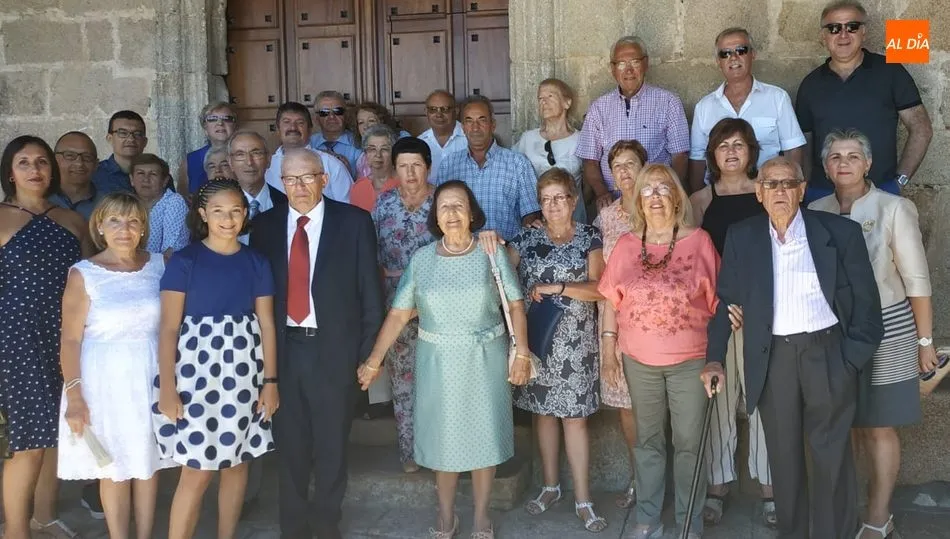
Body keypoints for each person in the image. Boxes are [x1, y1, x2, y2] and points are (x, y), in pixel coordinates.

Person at [702, 156, 884, 539]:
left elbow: (868, 309)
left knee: (832, 458)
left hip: (829, 355)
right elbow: (726, 301)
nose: (780, 191)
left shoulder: (839, 232)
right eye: (771, 184)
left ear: (802, 190)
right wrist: (715, 359)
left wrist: (848, 361)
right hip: (774, 360)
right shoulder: (743, 236)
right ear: (759, 192)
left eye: (788, 184)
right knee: (783, 461)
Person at [358, 180, 531, 538]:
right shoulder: (422, 260)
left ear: (471, 214)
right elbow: (399, 313)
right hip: (438, 361)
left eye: (458, 206)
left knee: (486, 438)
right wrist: (374, 359)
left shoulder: (490, 252)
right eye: (444, 207)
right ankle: (446, 514)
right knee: (444, 439)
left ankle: (482, 515)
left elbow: (515, 304)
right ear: (435, 216)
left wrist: (523, 353)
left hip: (485, 357)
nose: (451, 213)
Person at [249, 148, 384, 539]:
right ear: (281, 183)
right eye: (290, 179)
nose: (299, 186)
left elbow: (369, 295)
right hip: (283, 352)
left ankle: (326, 525)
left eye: (307, 177)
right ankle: (292, 528)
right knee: (289, 445)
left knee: (331, 447)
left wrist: (365, 356)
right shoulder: (266, 226)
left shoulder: (354, 222)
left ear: (324, 179)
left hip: (333, 353)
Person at [809, 129, 934, 539]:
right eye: (835, 157)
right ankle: (859, 507)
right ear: (825, 166)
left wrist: (925, 342)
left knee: (879, 424)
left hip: (889, 325)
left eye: (852, 156)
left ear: (868, 163)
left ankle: (879, 517)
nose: (843, 163)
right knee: (852, 423)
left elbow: (916, 280)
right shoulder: (817, 208)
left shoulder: (894, 208)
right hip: (837, 331)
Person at [599, 164, 719, 539]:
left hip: (690, 360)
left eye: (661, 189)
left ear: (676, 196)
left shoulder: (699, 242)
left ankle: (689, 521)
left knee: (688, 443)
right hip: (639, 361)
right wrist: (607, 351)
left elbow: (719, 303)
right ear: (637, 200)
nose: (653, 196)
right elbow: (609, 302)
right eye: (646, 190)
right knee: (647, 441)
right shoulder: (626, 245)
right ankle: (648, 518)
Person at [154, 178, 278, 539]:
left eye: (236, 211)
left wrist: (270, 383)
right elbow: (168, 329)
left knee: (237, 462)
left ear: (246, 213)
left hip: (243, 373)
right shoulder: (185, 260)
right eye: (219, 211)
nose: (228, 219)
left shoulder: (256, 261)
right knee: (196, 469)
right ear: (203, 214)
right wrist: (167, 387)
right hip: (195, 375)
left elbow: (266, 324)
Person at [57, 193, 176, 539]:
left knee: (147, 461)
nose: (124, 229)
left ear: (142, 229)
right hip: (103, 379)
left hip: (150, 372)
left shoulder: (159, 264)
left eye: (133, 221)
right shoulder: (84, 273)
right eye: (115, 221)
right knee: (114, 466)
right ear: (100, 226)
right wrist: (75, 396)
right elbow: (70, 340)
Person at [0, 135, 92, 539]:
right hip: (16, 340)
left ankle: (44, 516)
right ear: (10, 171)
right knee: (28, 442)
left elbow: (93, 279)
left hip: (66, 338)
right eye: (24, 162)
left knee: (57, 432)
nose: (35, 170)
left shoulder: (72, 221)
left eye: (41, 162)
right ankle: (16, 531)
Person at [508, 168, 606, 532]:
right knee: (543, 416)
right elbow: (503, 277)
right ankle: (550, 487)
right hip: (537, 341)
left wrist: (558, 287)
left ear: (573, 200)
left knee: (575, 420)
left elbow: (599, 288)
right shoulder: (525, 239)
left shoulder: (589, 237)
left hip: (577, 343)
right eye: (545, 199)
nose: (552, 206)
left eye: (559, 198)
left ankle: (584, 499)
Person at [688, 118, 774, 527]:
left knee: (763, 398)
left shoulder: (765, 195)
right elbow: (691, 262)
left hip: (762, 312)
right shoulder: (701, 201)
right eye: (724, 146)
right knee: (720, 397)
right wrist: (719, 304)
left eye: (739, 145)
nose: (732, 152)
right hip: (716, 311)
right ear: (713, 154)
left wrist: (757, 303)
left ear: (751, 152)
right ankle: (718, 484)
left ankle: (770, 487)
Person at [795, 0, 932, 202]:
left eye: (852, 27)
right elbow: (804, 143)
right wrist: (806, 188)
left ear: (864, 32)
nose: (843, 35)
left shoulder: (890, 72)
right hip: (824, 195)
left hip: (879, 193)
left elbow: (921, 127)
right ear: (823, 36)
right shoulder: (810, 84)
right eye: (834, 28)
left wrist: (899, 182)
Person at [370, 137, 435, 472]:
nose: (410, 173)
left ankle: (440, 449)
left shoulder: (443, 201)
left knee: (438, 377)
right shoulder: (383, 205)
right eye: (403, 166)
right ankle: (410, 451)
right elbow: (371, 256)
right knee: (403, 379)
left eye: (417, 165)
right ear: (394, 169)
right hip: (395, 301)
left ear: (428, 166)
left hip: (438, 303)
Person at [591, 140, 647, 510]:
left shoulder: (661, 206)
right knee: (628, 406)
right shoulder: (605, 217)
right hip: (615, 318)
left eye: (631, 163)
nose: (624, 171)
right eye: (617, 166)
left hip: (657, 320)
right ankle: (641, 480)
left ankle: (670, 478)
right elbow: (598, 276)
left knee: (662, 403)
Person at [576, 36, 689, 209]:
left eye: (635, 62)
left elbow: (679, 155)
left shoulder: (668, 102)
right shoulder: (599, 108)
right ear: (613, 69)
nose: (628, 70)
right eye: (621, 63)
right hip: (614, 202)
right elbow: (590, 161)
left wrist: (672, 193)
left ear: (646, 64)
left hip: (656, 202)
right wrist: (601, 193)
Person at [688, 27, 805, 192]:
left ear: (753, 54)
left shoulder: (777, 98)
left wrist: (793, 192)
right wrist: (699, 200)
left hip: (770, 193)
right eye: (725, 53)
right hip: (721, 195)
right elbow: (697, 159)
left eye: (741, 50)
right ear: (718, 61)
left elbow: (793, 149)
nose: (733, 58)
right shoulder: (704, 107)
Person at [434, 95, 541, 241]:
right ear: (463, 127)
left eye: (482, 120)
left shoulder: (518, 164)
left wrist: (517, 249)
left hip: (506, 251)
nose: (475, 127)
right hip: (460, 254)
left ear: (493, 125)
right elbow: (440, 212)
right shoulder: (449, 165)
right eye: (469, 121)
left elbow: (531, 214)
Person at [514, 78, 586, 223]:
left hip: (574, 219)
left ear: (567, 102)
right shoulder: (527, 139)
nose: (544, 102)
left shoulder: (581, 139)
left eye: (550, 96)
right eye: (540, 98)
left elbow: (589, 181)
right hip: (537, 220)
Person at [264, 101, 353, 204]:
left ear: (310, 130)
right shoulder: (266, 166)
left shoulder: (331, 164)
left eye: (300, 123)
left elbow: (347, 207)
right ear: (278, 129)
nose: (293, 127)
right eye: (287, 122)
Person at [228, 130, 288, 246]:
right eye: (240, 154)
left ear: (269, 160)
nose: (249, 162)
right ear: (230, 163)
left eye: (256, 153)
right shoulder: (217, 208)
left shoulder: (287, 204)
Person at [129, 154, 189, 258]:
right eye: (140, 173)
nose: (146, 179)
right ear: (132, 180)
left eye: (153, 174)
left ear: (164, 181)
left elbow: (172, 252)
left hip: (161, 271)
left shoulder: (174, 202)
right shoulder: (126, 205)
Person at [177, 102, 238, 195]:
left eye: (227, 119)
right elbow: (183, 196)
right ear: (205, 128)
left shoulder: (247, 156)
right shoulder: (190, 160)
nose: (220, 123)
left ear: (234, 125)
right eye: (212, 119)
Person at [51, 131, 106, 220]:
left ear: (96, 165)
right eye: (69, 156)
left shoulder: (108, 205)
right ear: (54, 160)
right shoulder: (40, 200)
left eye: (87, 157)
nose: (79, 163)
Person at [350, 101, 411, 179]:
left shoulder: (401, 140)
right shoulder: (361, 158)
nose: (366, 126)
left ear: (382, 122)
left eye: (371, 121)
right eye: (361, 122)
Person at [309, 90, 364, 176]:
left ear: (345, 115)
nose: (331, 117)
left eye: (338, 111)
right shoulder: (309, 143)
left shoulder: (359, 142)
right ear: (316, 119)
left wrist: (348, 173)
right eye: (324, 113)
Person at [93, 110, 149, 195]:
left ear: (144, 142)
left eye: (137, 134)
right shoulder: (95, 175)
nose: (131, 139)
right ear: (110, 139)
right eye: (123, 133)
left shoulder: (157, 175)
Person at [418, 90, 467, 180]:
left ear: (456, 111)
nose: (439, 114)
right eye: (433, 109)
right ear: (426, 112)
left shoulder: (470, 137)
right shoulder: (420, 143)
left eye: (445, 109)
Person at [350, 124, 400, 212]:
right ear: (365, 154)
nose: (378, 155)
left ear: (394, 153)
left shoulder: (404, 184)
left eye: (384, 149)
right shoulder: (359, 187)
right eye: (372, 149)